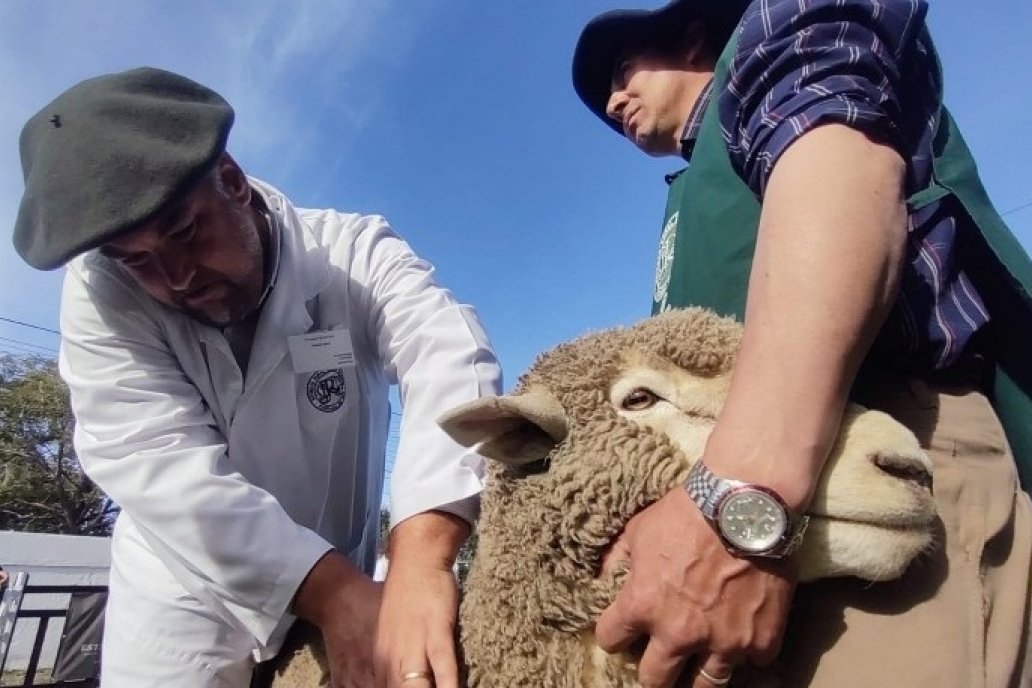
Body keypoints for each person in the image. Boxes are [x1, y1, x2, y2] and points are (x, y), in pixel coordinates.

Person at [571, 1, 1032, 687]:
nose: (613, 100)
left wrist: (738, 508)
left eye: (623, 69)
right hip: (758, 519)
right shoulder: (692, 192)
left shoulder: (776, 37)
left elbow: (840, 160)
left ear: (694, 37)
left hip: (887, 464)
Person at [12, 67, 503, 688]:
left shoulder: (353, 253)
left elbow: (446, 353)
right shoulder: (101, 294)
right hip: (183, 594)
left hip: (342, 559)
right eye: (138, 260)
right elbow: (151, 456)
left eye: (187, 232)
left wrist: (420, 562)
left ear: (233, 181)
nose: (178, 278)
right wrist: (335, 596)